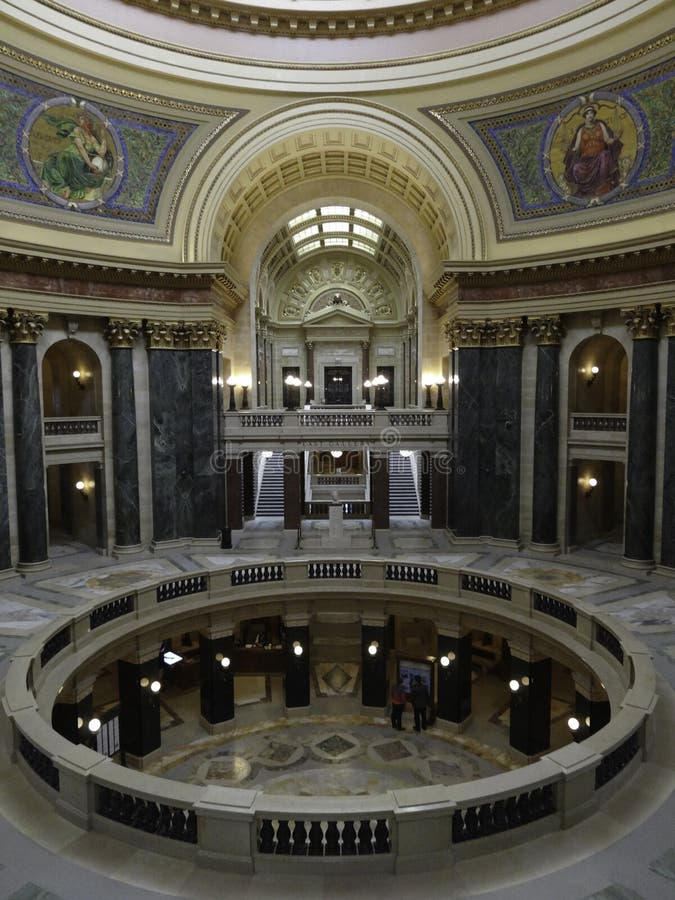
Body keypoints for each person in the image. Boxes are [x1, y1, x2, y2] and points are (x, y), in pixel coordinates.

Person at [39, 113, 112, 201]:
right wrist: (90, 164)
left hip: (79, 162)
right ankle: (65, 188)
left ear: (87, 122)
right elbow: (81, 148)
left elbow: (101, 152)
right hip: (69, 157)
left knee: (89, 178)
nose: (80, 122)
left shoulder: (92, 138)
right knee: (52, 163)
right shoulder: (78, 130)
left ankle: (66, 189)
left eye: (82, 120)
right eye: (80, 120)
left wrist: (104, 137)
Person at [563, 105, 622, 199]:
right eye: (588, 113)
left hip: (599, 157)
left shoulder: (600, 125)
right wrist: (569, 151)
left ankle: (602, 185)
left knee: (604, 155)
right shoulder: (581, 130)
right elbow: (576, 147)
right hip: (586, 160)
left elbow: (607, 140)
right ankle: (585, 190)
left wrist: (615, 139)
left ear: (594, 115)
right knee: (576, 168)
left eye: (591, 113)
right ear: (585, 116)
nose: (590, 115)